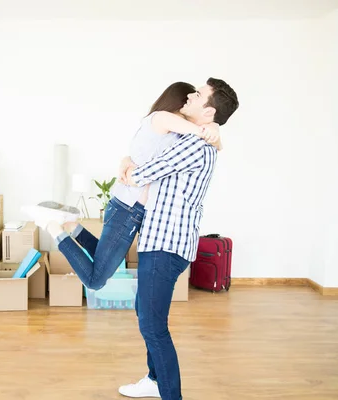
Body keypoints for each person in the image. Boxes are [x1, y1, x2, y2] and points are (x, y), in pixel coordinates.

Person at [22, 82, 222, 291]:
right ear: (178, 101)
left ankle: (73, 226)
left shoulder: (171, 130)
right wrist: (213, 129)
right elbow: (203, 134)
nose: (191, 100)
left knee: (104, 260)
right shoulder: (162, 118)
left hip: (129, 208)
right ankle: (54, 228)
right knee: (95, 280)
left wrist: (215, 130)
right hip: (128, 209)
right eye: (188, 99)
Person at [117, 77, 239, 400]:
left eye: (198, 95)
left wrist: (128, 169)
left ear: (209, 111)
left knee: (153, 326)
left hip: (165, 245)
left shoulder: (195, 145)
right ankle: (154, 379)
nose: (191, 95)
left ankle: (169, 392)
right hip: (163, 241)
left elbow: (150, 170)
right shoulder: (203, 141)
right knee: (145, 311)